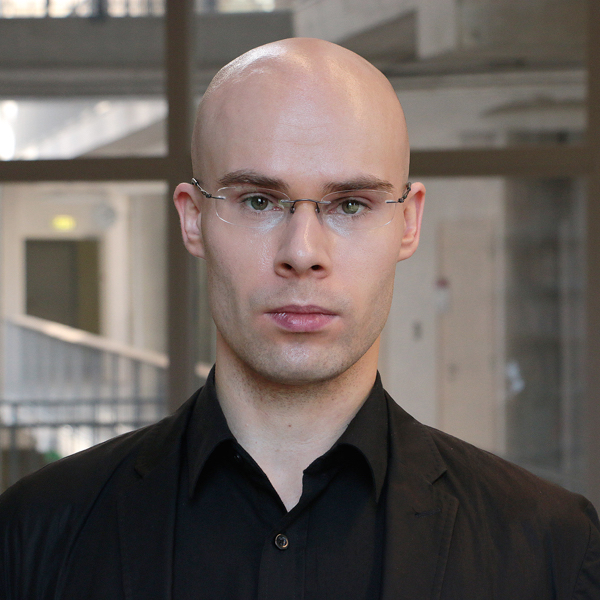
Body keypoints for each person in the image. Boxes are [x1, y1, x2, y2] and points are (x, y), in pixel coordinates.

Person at [0, 38, 598, 600]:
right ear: (192, 219)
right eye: (259, 200)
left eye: (351, 204)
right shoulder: (33, 532)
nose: (303, 252)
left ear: (408, 223)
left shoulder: (553, 550)